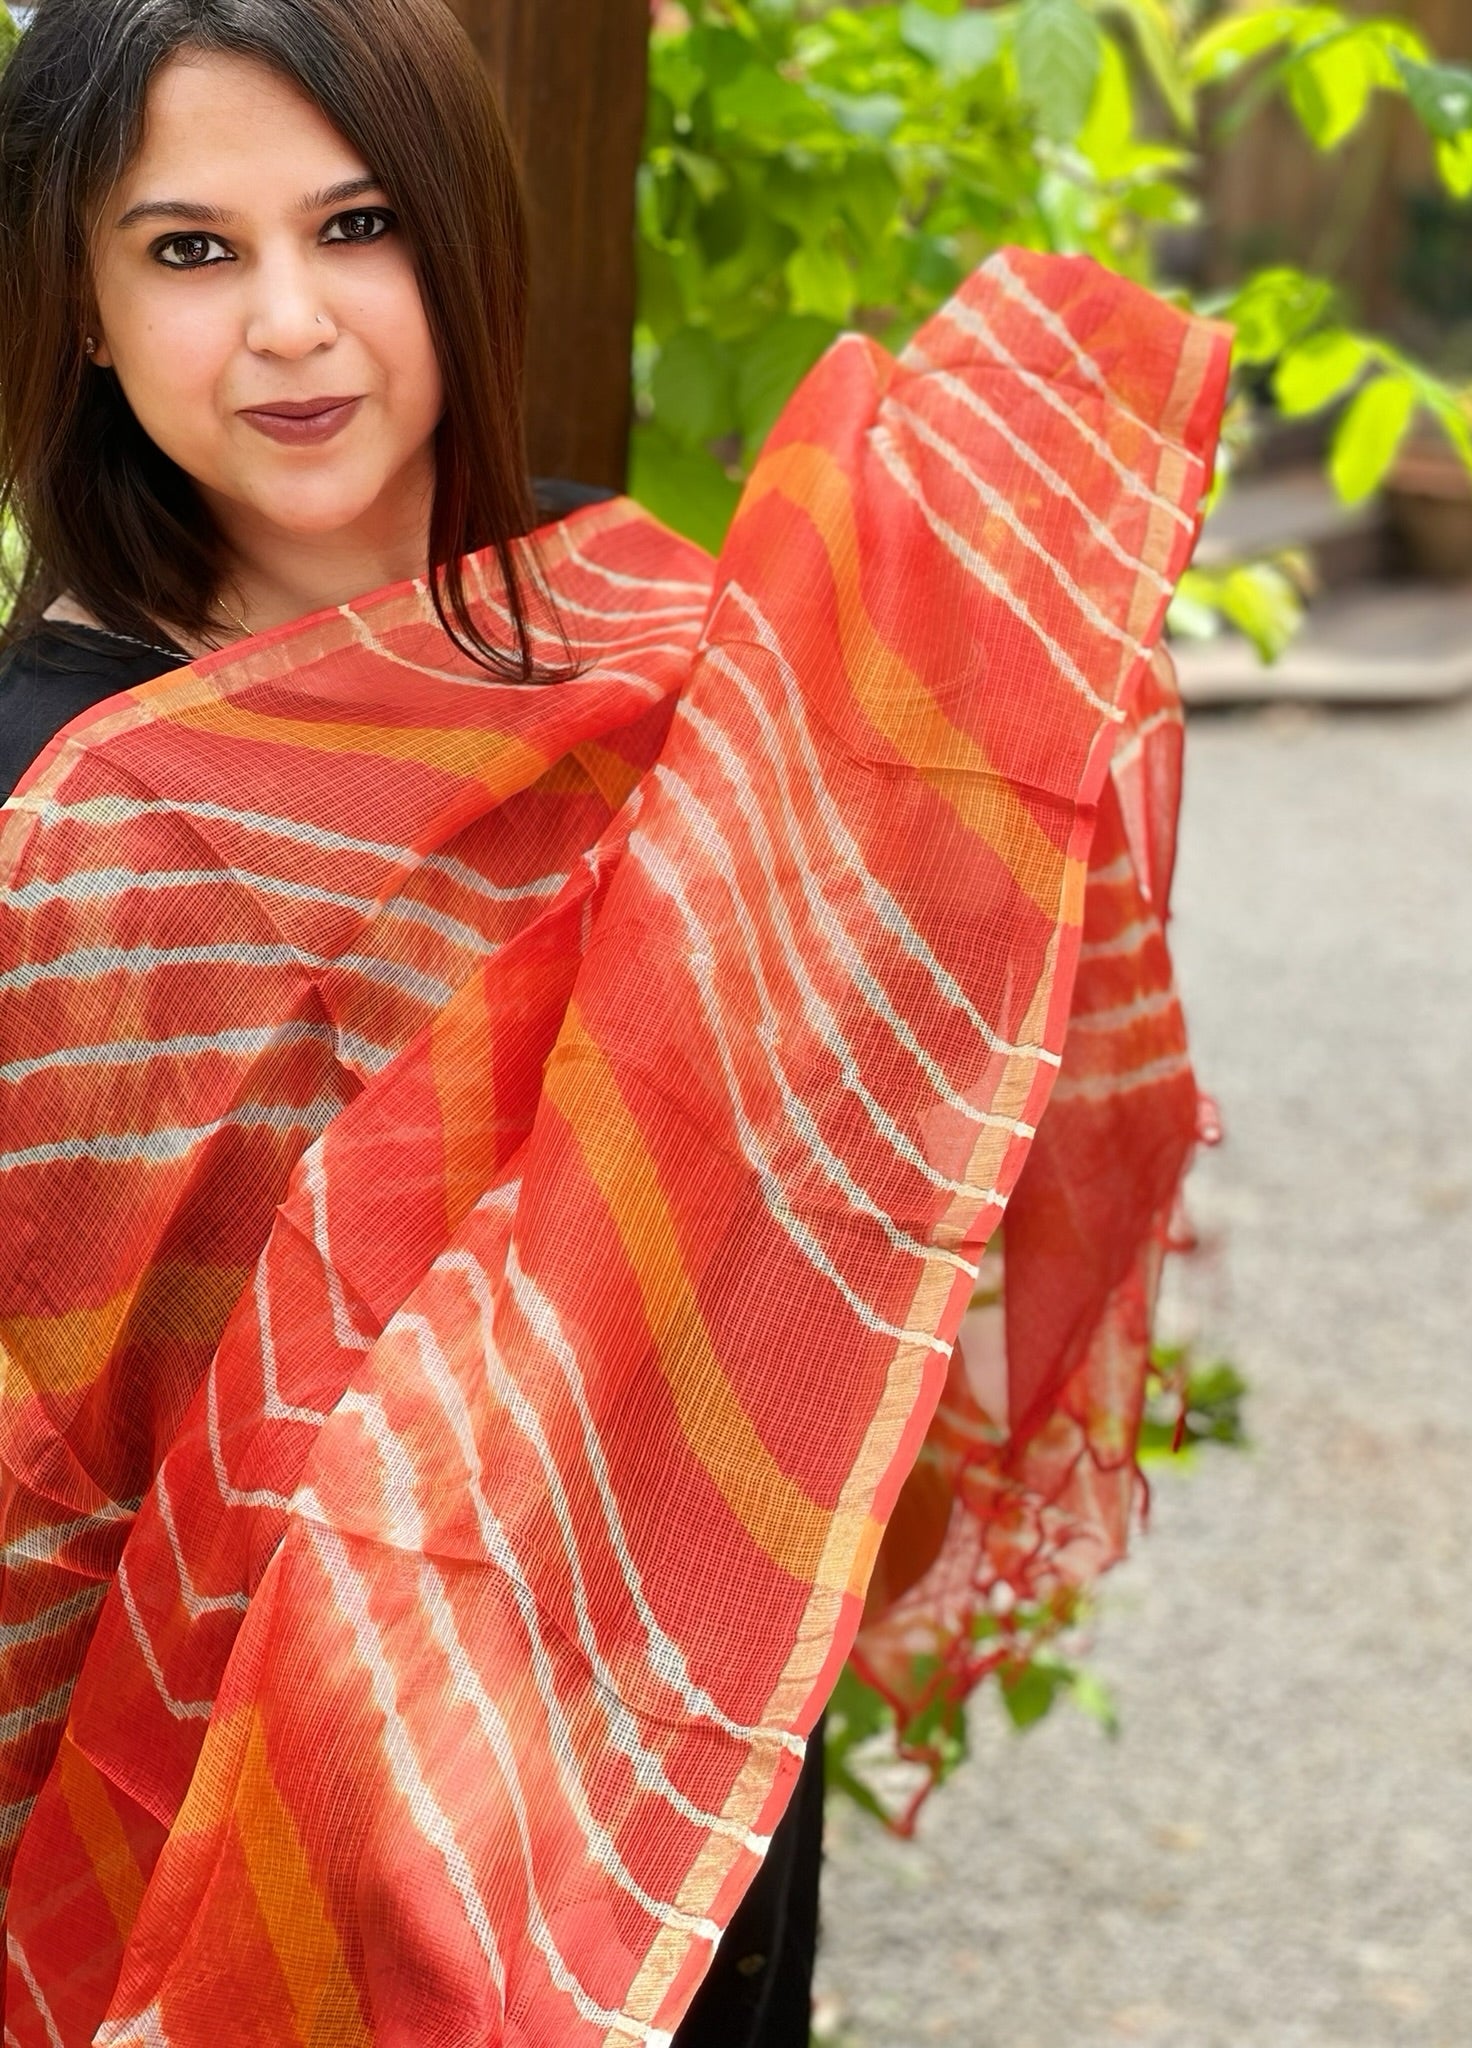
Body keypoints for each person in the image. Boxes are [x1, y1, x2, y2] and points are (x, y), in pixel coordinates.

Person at [0, 0, 1228, 2040]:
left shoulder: (664, 645)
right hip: (234, 1787)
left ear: (460, 242)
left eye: (357, 224)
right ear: (84, 303)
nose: (292, 322)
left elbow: (859, 1144)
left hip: (664, 1738)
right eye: (190, 248)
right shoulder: (60, 801)